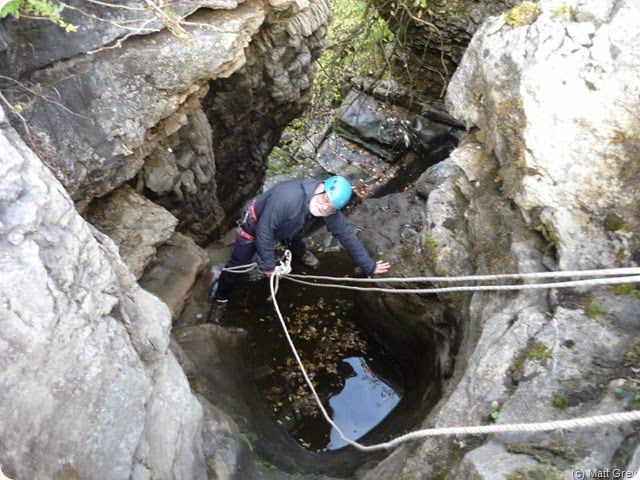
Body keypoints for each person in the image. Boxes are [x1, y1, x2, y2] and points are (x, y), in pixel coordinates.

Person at [207, 176, 391, 324]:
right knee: (238, 264)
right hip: (256, 225)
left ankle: (300, 253)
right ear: (321, 188)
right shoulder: (288, 199)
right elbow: (264, 230)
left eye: (331, 207)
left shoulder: (328, 209)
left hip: (292, 228)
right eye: (325, 199)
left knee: (295, 239)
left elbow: (346, 236)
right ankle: (220, 299)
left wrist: (369, 266)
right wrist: (268, 266)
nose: (325, 207)